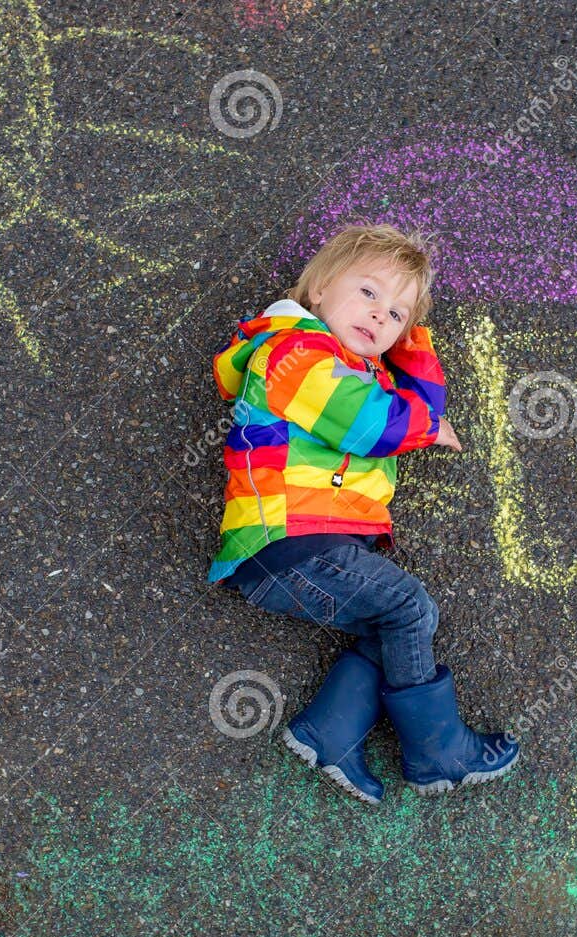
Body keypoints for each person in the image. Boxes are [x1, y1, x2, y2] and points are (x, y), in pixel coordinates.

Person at [207, 222, 519, 803]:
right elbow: (368, 423)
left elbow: (414, 406)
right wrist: (426, 429)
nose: (380, 317)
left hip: (309, 549)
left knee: (399, 628)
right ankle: (438, 752)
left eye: (397, 314)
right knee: (407, 608)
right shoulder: (292, 352)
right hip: (291, 541)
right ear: (319, 289)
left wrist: (413, 345)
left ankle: (329, 734)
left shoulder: (361, 369)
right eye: (369, 293)